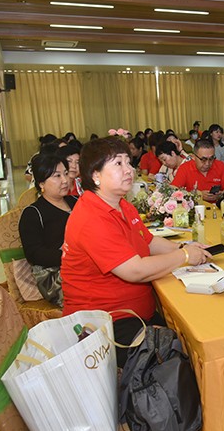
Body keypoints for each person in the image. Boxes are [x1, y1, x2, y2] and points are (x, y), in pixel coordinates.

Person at [61, 137, 211, 368]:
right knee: (177, 354)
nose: (128, 170)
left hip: (134, 311)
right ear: (95, 175)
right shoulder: (92, 217)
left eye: (128, 163)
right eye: (118, 164)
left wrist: (185, 247)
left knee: (192, 329)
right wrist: (184, 257)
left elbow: (147, 242)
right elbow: (134, 270)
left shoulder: (121, 204)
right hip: (106, 322)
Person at [19, 154, 79, 307]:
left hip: (83, 264)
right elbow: (34, 254)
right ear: (41, 183)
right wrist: (73, 257)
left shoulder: (77, 201)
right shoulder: (33, 213)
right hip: (55, 275)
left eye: (66, 173)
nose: (65, 180)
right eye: (57, 176)